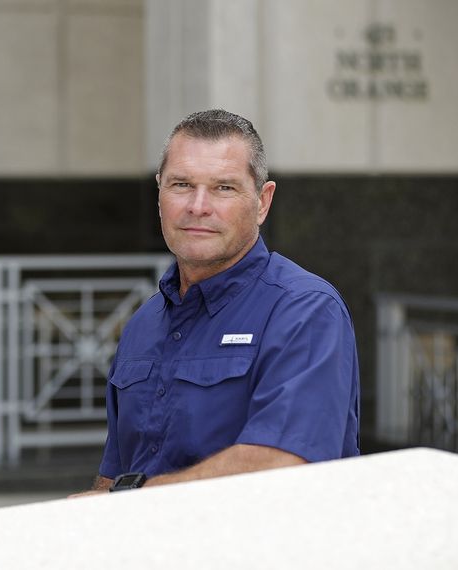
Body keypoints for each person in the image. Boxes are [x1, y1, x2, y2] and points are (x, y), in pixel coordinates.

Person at [83, 109, 360, 494]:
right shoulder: (144, 324)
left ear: (262, 202)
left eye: (223, 188)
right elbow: (115, 474)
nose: (198, 206)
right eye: (181, 185)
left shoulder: (305, 311)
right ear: (159, 195)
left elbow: (285, 462)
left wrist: (138, 502)